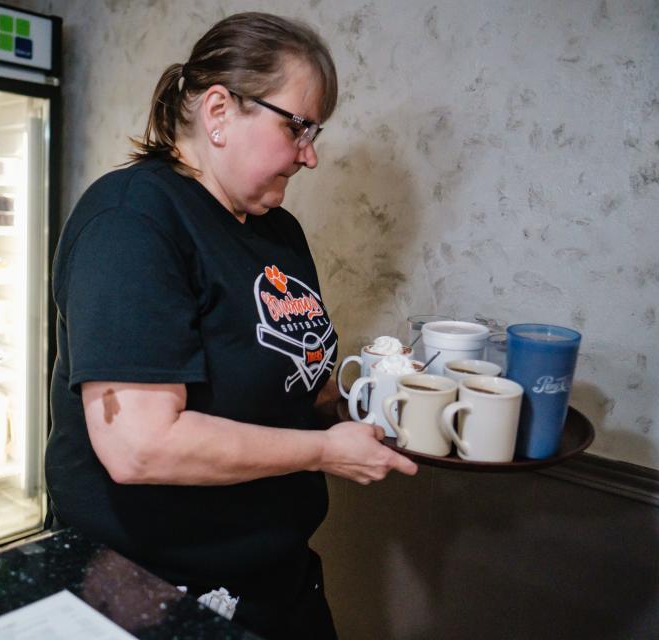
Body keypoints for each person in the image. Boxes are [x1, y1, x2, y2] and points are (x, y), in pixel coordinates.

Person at [47, 12, 418, 639]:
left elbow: (294, 377)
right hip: (150, 588)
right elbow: (139, 446)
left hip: (278, 578)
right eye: (297, 128)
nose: (311, 155)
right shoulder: (131, 222)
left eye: (315, 132)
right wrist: (326, 452)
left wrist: (367, 404)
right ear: (219, 110)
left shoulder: (279, 231)